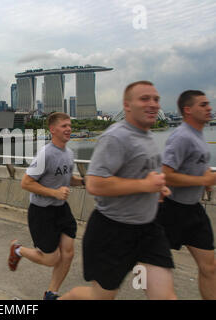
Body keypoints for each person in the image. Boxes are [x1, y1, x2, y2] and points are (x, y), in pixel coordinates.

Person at [59, 81, 176, 300]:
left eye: (156, 99)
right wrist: (145, 185)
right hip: (113, 232)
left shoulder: (148, 136)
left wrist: (157, 189)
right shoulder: (116, 136)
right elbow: (94, 183)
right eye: (144, 99)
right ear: (127, 105)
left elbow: (142, 176)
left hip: (148, 229)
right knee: (100, 297)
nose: (153, 104)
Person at [7, 112, 83, 300]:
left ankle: (51, 293)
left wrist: (83, 181)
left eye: (70, 125)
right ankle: (18, 250)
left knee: (68, 253)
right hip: (42, 212)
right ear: (52, 130)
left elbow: (66, 178)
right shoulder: (45, 154)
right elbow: (26, 183)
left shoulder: (69, 153)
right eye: (64, 126)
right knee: (51, 259)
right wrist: (55, 193)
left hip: (61, 209)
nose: (68, 129)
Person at [156, 90, 216, 300]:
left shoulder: (197, 134)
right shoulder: (181, 136)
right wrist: (203, 181)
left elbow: (198, 164)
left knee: (210, 267)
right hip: (172, 210)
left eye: (208, 104)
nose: (209, 108)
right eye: (203, 105)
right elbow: (166, 174)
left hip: (194, 210)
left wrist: (205, 178)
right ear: (188, 110)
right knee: (155, 266)